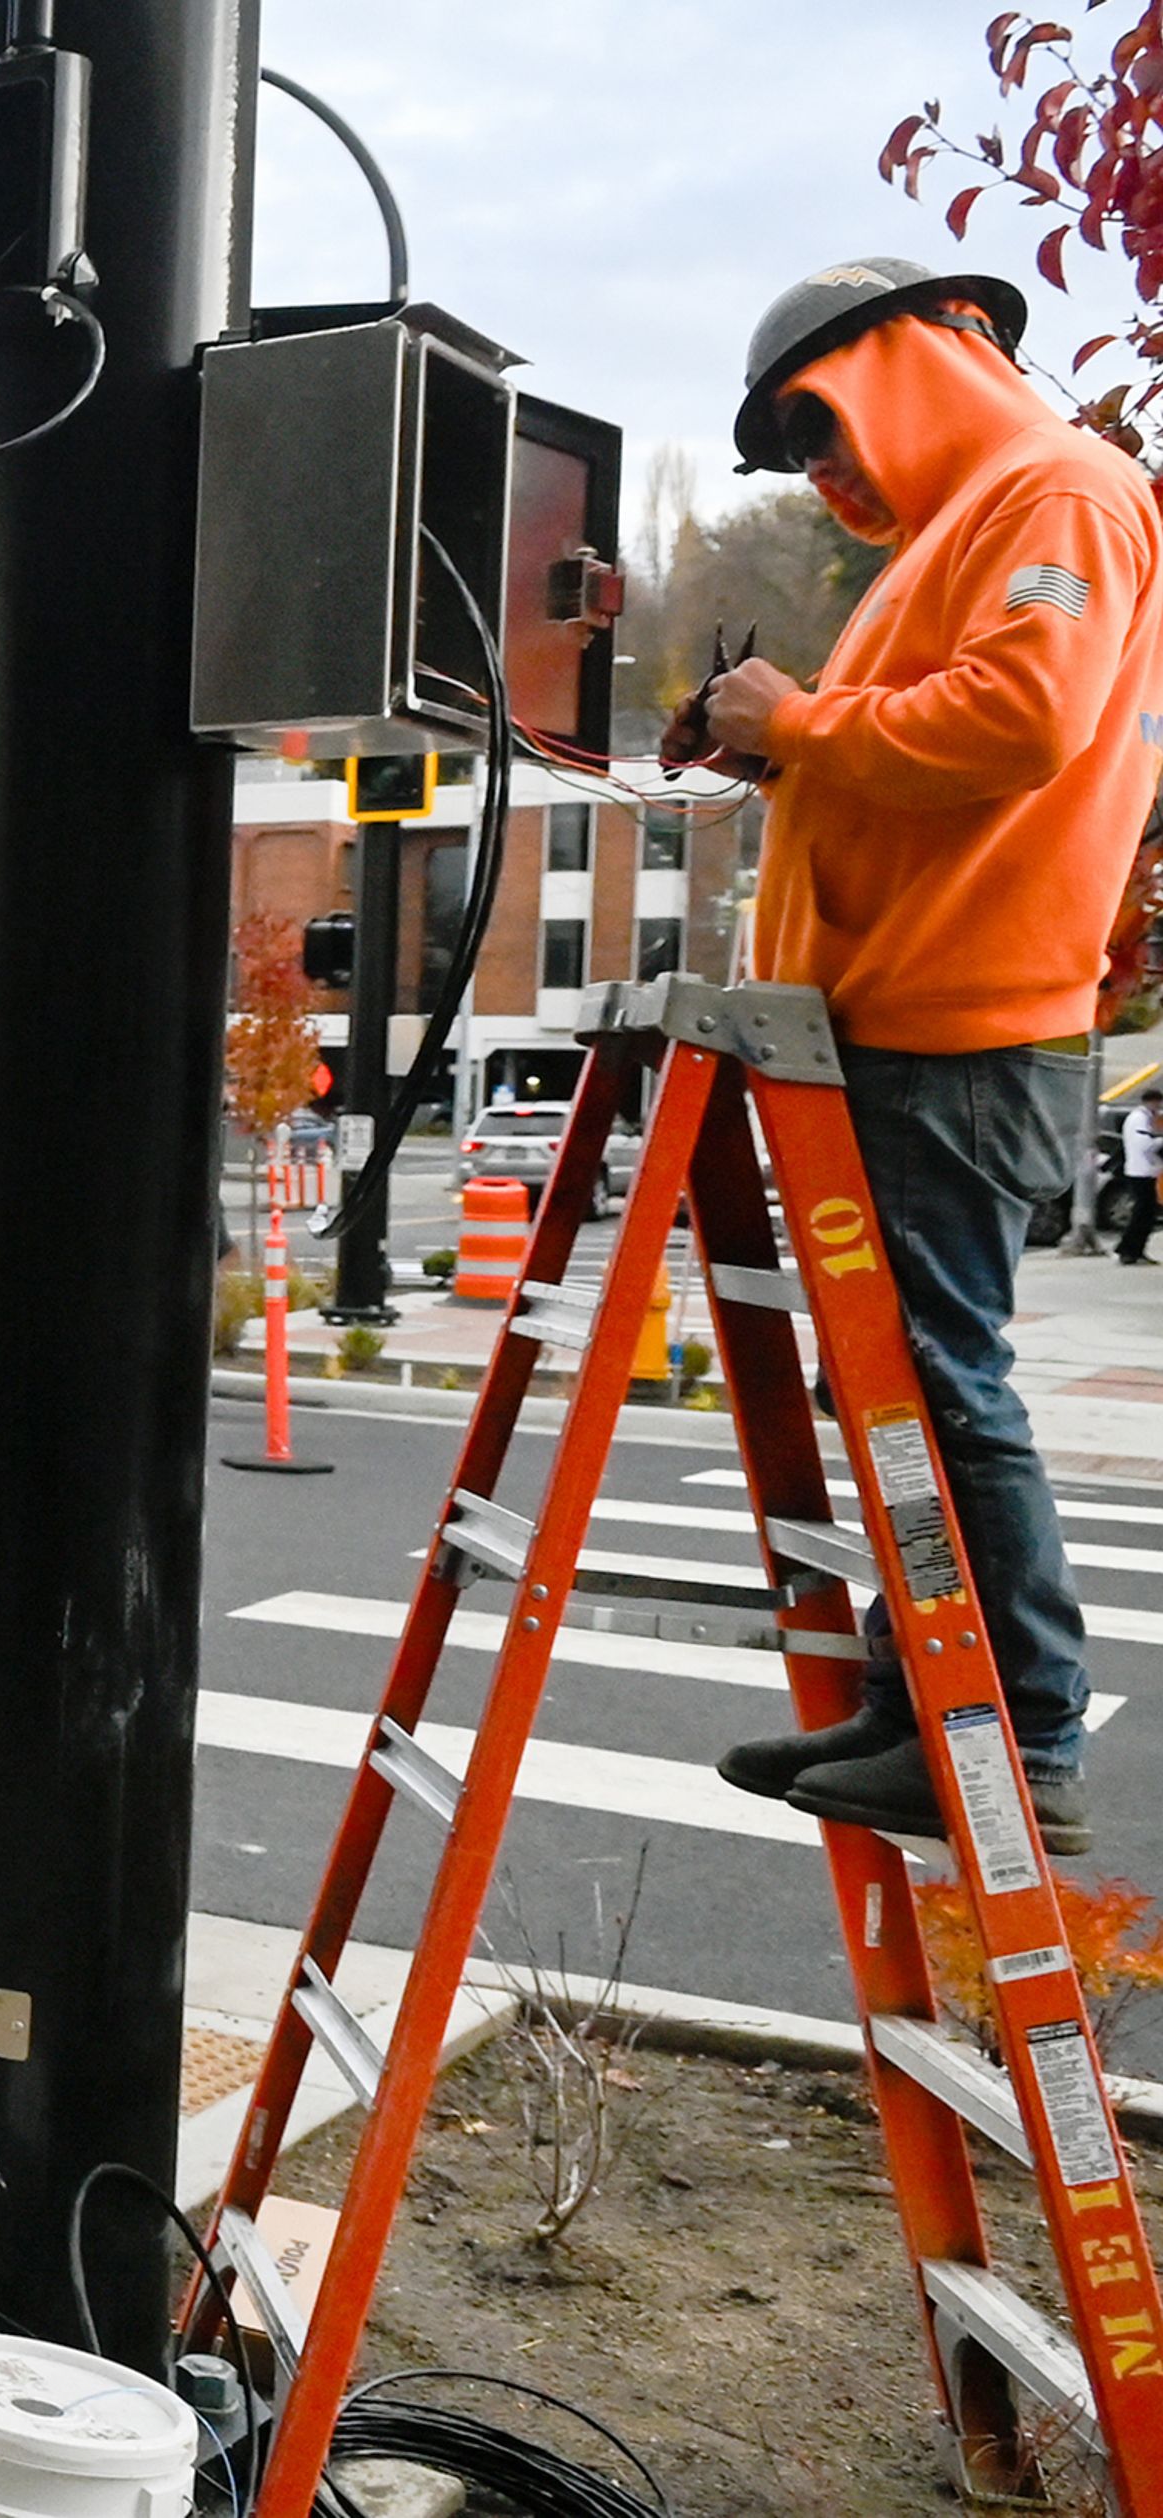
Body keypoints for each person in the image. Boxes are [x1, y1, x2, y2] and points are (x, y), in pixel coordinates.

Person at [685, 255, 1163, 1856]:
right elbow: (937, 754)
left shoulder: (1061, 492)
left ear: (911, 361)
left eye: (820, 432)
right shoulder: (978, 525)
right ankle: (929, 1696)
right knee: (897, 1383)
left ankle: (1019, 1729)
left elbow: (1024, 720)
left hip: (957, 1032)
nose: (823, 480)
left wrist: (800, 724)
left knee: (940, 1389)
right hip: (905, 1022)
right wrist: (784, 744)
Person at [1122, 1087, 1163, 1266]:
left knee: (1145, 1214)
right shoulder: (1138, 1119)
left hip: (1146, 1170)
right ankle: (1129, 1249)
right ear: (1151, 1101)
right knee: (1142, 1214)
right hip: (1141, 1171)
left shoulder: (1145, 1117)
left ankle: (1135, 1249)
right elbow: (1143, 1144)